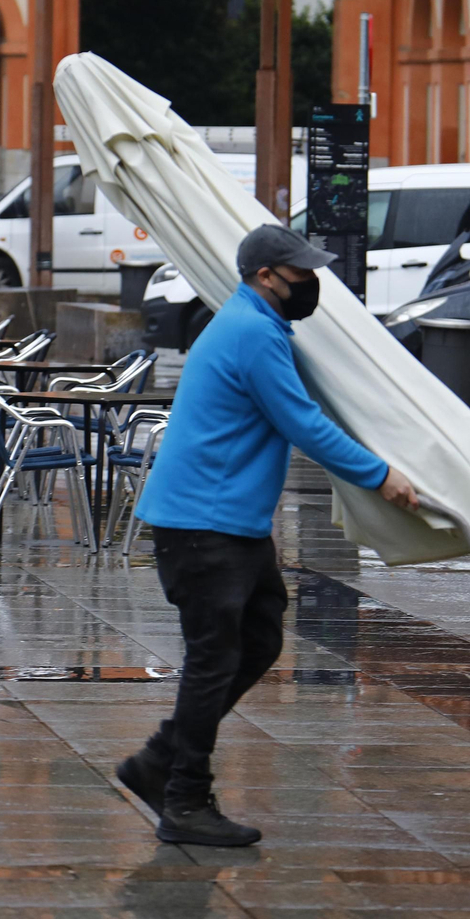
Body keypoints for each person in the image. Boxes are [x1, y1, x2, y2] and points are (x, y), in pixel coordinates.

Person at [117, 225, 419, 848]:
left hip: (227, 525)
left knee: (258, 638)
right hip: (204, 525)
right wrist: (378, 474)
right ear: (266, 278)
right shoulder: (252, 332)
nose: (311, 284)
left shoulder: (255, 323)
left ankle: (159, 762)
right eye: (301, 274)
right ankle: (183, 800)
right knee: (213, 660)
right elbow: (301, 423)